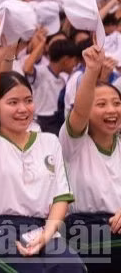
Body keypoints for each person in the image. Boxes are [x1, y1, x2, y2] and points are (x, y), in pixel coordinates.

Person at [0, 38, 84, 272]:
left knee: (72, 267)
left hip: (42, 228)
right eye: (12, 102)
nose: (23, 109)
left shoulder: (49, 141)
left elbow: (60, 197)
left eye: (28, 101)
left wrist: (46, 235)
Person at [60, 44, 121, 272]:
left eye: (116, 103)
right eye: (101, 104)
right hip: (86, 232)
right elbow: (79, 111)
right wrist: (92, 71)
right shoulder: (74, 143)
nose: (112, 110)